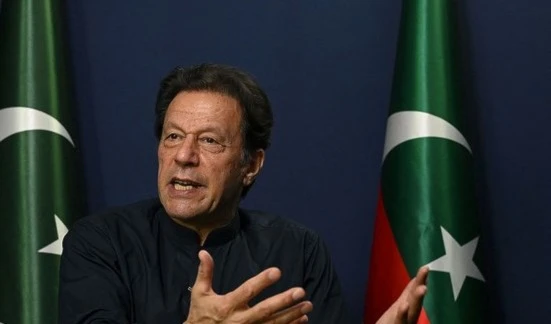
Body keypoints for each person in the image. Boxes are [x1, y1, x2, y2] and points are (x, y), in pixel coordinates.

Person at [59, 63, 428, 323]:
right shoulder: (100, 242)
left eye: (209, 140)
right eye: (173, 136)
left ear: (251, 164)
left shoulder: (297, 249)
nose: (184, 156)